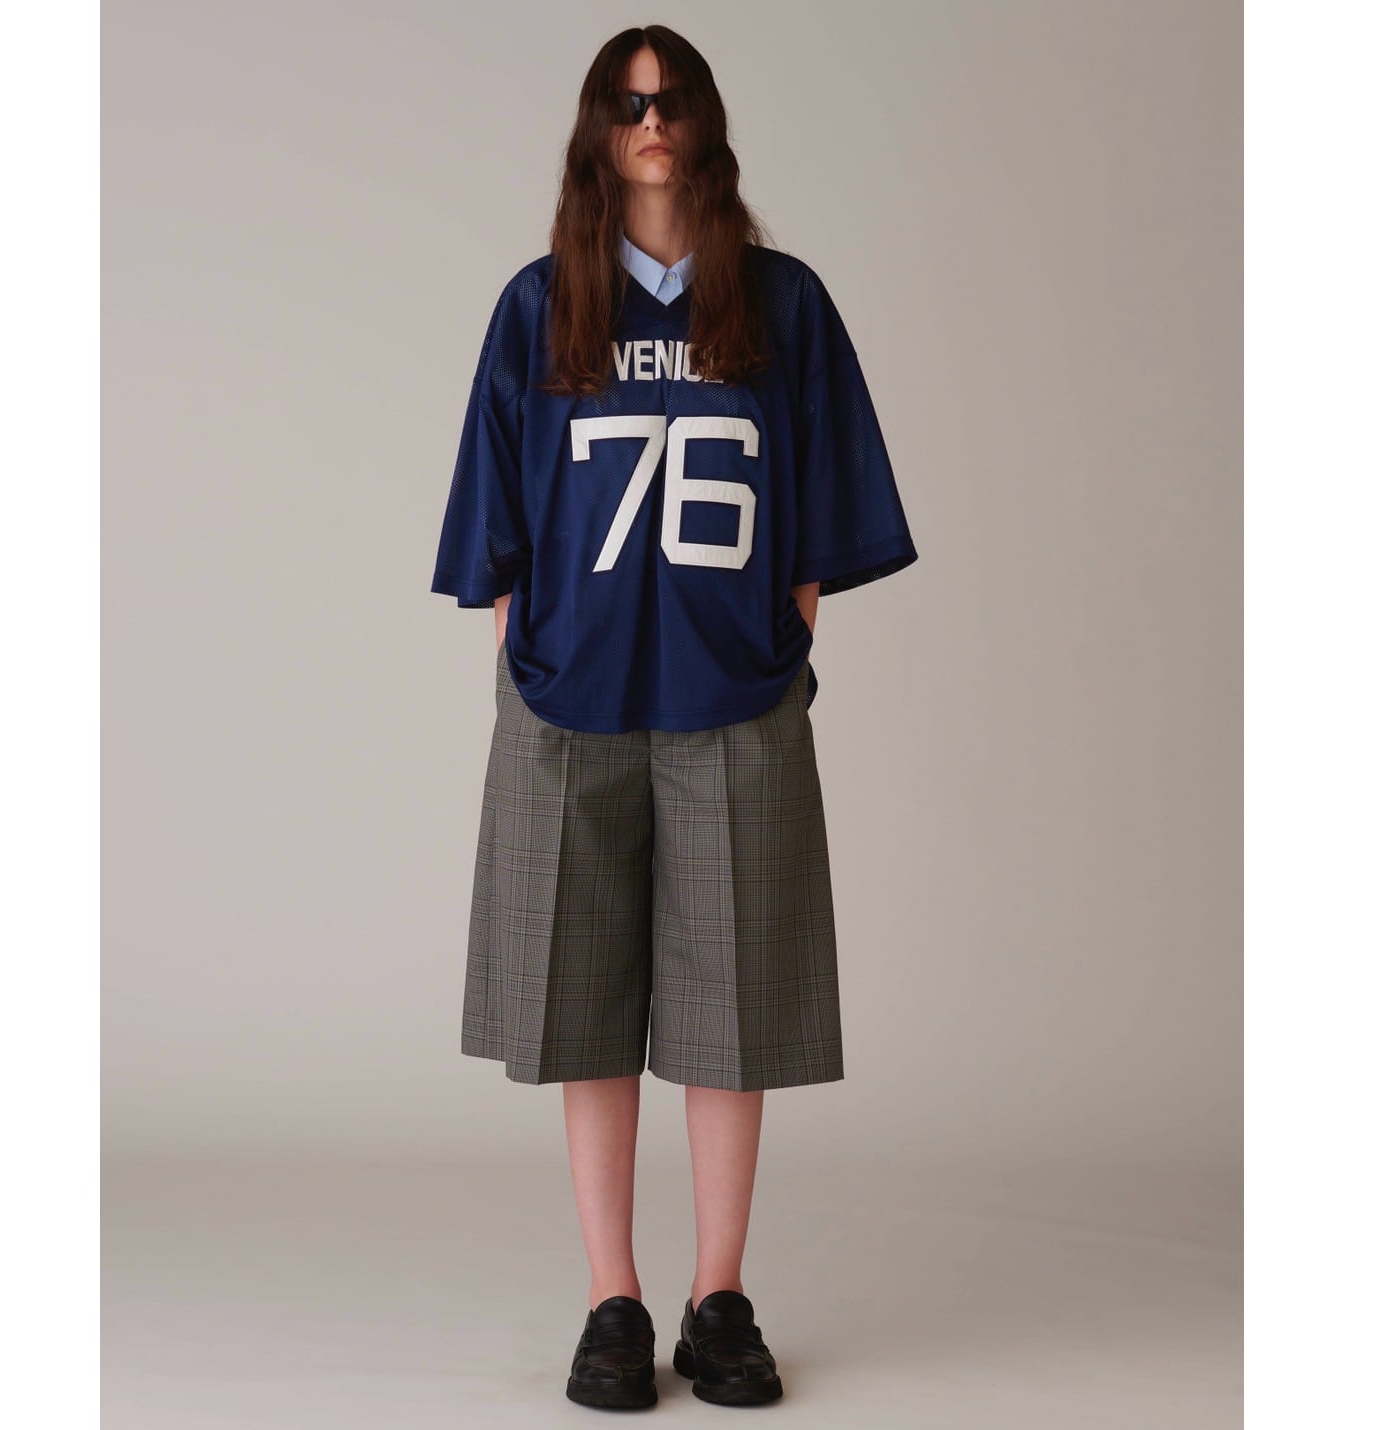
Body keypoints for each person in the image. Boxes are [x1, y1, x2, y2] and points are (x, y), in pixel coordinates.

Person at [430, 24, 918, 1411]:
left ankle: (718, 1296)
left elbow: (822, 500)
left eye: (671, 100)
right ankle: (613, 1298)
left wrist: (785, 635)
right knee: (581, 1008)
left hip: (732, 700)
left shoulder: (780, 301)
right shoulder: (542, 305)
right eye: (626, 102)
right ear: (598, 128)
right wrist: (531, 646)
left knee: (731, 1010)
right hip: (571, 704)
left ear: (705, 121)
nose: (651, 122)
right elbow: (498, 512)